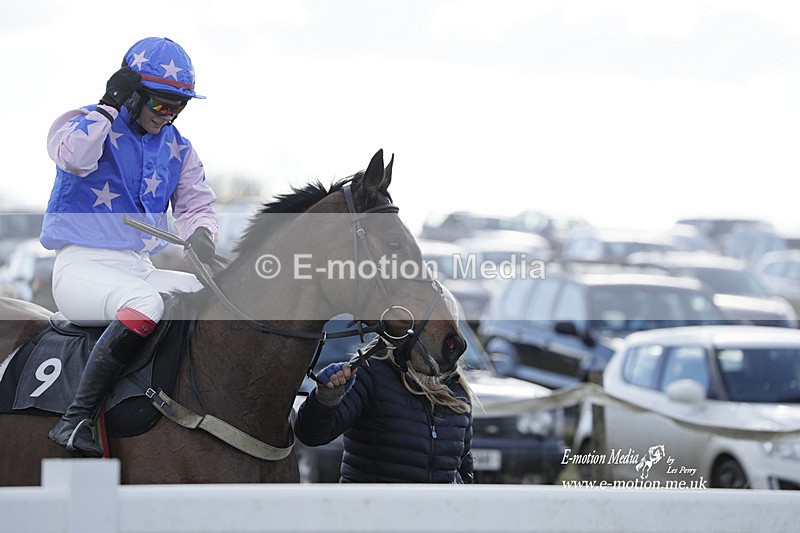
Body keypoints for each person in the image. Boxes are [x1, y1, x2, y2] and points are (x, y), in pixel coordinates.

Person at [40, 37, 220, 457]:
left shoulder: (179, 147)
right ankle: (76, 419)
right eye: (161, 105)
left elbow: (196, 203)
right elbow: (73, 158)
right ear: (133, 94)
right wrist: (107, 105)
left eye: (179, 106)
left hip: (136, 265)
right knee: (146, 301)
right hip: (80, 268)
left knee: (208, 299)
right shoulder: (85, 121)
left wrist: (202, 236)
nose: (170, 115)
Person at [294, 341, 475, 483]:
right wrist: (326, 398)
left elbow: (464, 468)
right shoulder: (371, 372)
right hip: (372, 515)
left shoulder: (457, 388)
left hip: (436, 518)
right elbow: (311, 434)